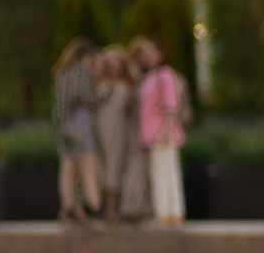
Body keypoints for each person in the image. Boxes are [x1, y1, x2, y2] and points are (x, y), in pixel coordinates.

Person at [136, 40, 191, 226]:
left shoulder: (165, 75)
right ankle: (168, 212)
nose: (148, 57)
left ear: (160, 54)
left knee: (164, 173)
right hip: (153, 132)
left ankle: (167, 213)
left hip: (161, 132)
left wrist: (166, 130)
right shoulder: (149, 77)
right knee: (161, 171)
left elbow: (171, 105)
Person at [52, 38, 102, 225]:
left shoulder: (62, 74)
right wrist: (102, 99)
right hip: (78, 122)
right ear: (86, 56)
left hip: (62, 125)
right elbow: (84, 96)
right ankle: (94, 206)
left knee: (68, 168)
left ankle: (69, 207)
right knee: (88, 165)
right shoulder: (81, 71)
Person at [92, 47, 143, 223]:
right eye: (111, 65)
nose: (114, 68)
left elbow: (135, 106)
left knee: (116, 169)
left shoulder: (127, 86)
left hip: (119, 132)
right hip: (100, 131)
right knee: (100, 169)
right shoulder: (99, 84)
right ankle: (101, 207)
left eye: (118, 65)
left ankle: (113, 210)